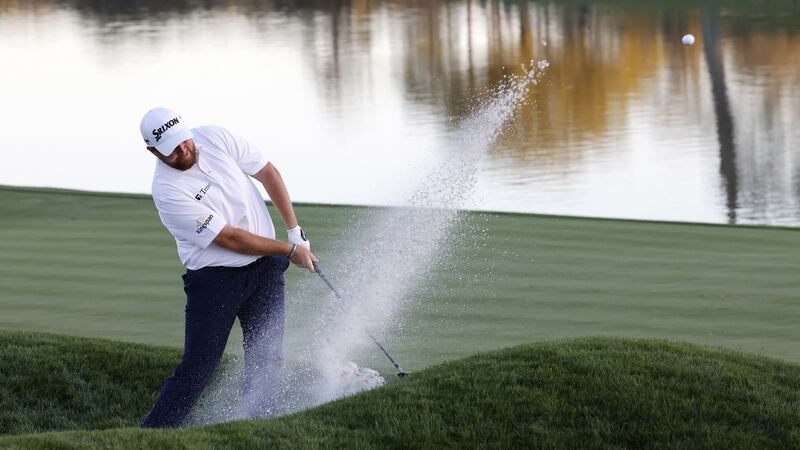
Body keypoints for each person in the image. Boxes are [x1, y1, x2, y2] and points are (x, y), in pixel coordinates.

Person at [137, 107, 316, 428]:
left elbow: (267, 172)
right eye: (172, 150)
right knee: (199, 367)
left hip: (265, 270)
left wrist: (293, 230)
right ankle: (152, 434)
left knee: (267, 357)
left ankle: (255, 427)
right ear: (153, 152)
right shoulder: (167, 192)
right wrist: (290, 251)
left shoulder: (215, 136)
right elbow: (229, 239)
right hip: (215, 281)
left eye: (183, 141)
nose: (183, 150)